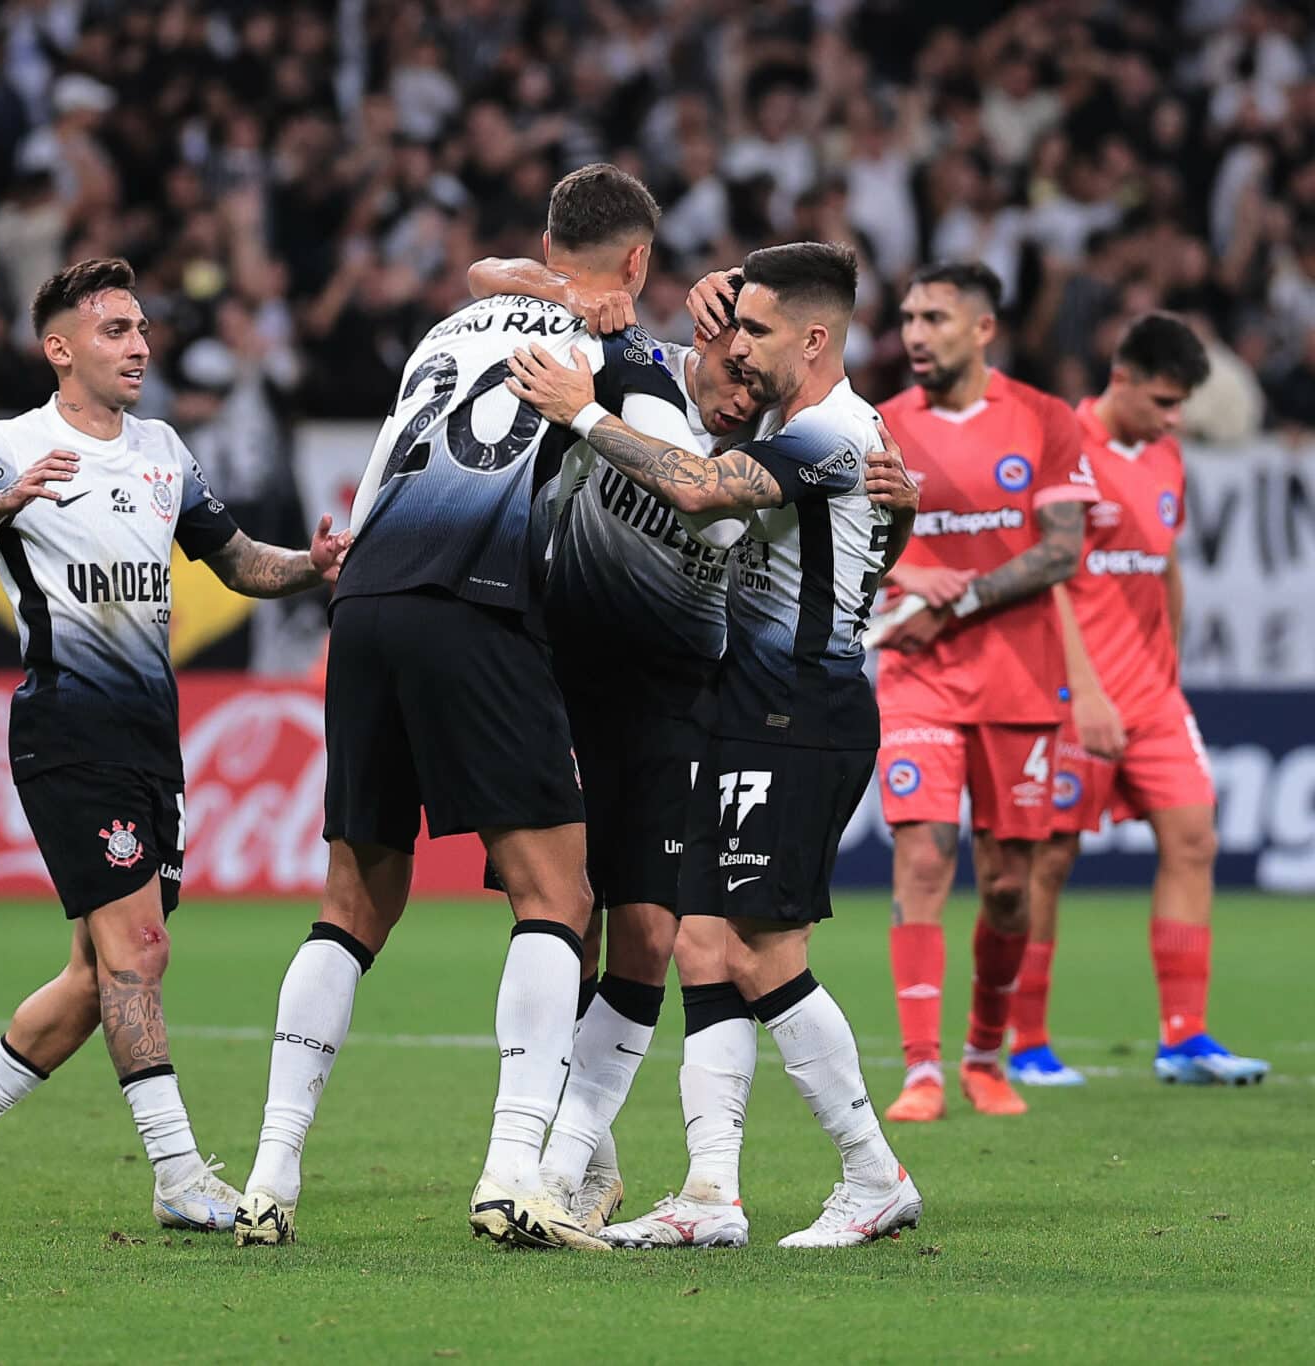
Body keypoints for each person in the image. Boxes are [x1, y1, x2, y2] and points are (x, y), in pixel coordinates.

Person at [236, 165, 671, 1255]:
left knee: (354, 898)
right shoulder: (614, 354)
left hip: (367, 599)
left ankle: (267, 1174)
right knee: (558, 895)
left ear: (542, 241)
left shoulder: (453, 323)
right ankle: (512, 1171)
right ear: (635, 263)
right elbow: (681, 475)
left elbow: (492, 277)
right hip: (477, 601)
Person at [0, 258, 350, 1231]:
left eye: (140, 328)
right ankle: (179, 1174)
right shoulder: (5, 443)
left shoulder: (162, 450)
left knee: (103, 971)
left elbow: (236, 564)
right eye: (114, 330)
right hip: (65, 726)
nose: (138, 344)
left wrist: (312, 566)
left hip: (150, 734)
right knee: (138, 948)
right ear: (59, 348)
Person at [506, 241, 924, 1249]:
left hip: (797, 714)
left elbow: (696, 488)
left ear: (814, 339)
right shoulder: (834, 436)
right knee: (700, 944)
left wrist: (582, 411)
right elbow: (860, 538)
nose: (740, 348)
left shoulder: (825, 430)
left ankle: (872, 1174)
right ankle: (707, 1192)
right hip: (750, 712)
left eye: (760, 332)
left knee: (757, 951)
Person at [458, 255, 763, 1236]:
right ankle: (568, 1164)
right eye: (731, 372)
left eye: (756, 389)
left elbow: (691, 490)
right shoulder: (634, 360)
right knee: (556, 917)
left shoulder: (760, 458)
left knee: (646, 935)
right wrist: (570, 294)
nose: (738, 398)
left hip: (669, 696)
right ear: (705, 342)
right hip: (556, 677)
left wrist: (591, 403)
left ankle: (553, 1162)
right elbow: (481, 275)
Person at [867, 262, 1099, 1123]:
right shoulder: (882, 426)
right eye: (908, 317)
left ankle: (983, 1053)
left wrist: (956, 595)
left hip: (1020, 681)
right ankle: (921, 1068)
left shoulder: (1045, 420)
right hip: (919, 675)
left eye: (933, 317)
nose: (916, 333)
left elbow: (1063, 549)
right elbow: (859, 537)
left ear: (983, 328)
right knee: (924, 856)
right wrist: (915, 570)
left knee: (1008, 885)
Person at [1013, 314, 1269, 1087]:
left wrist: (1169, 667)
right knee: (1049, 859)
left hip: (1153, 696)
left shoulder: (1165, 454)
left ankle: (1184, 1038)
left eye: (1179, 404)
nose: (1173, 418)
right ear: (1119, 377)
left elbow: (1166, 565)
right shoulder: (1064, 447)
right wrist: (1084, 688)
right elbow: (1045, 572)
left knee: (1194, 840)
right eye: (1161, 400)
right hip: (1071, 694)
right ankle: (1024, 1045)